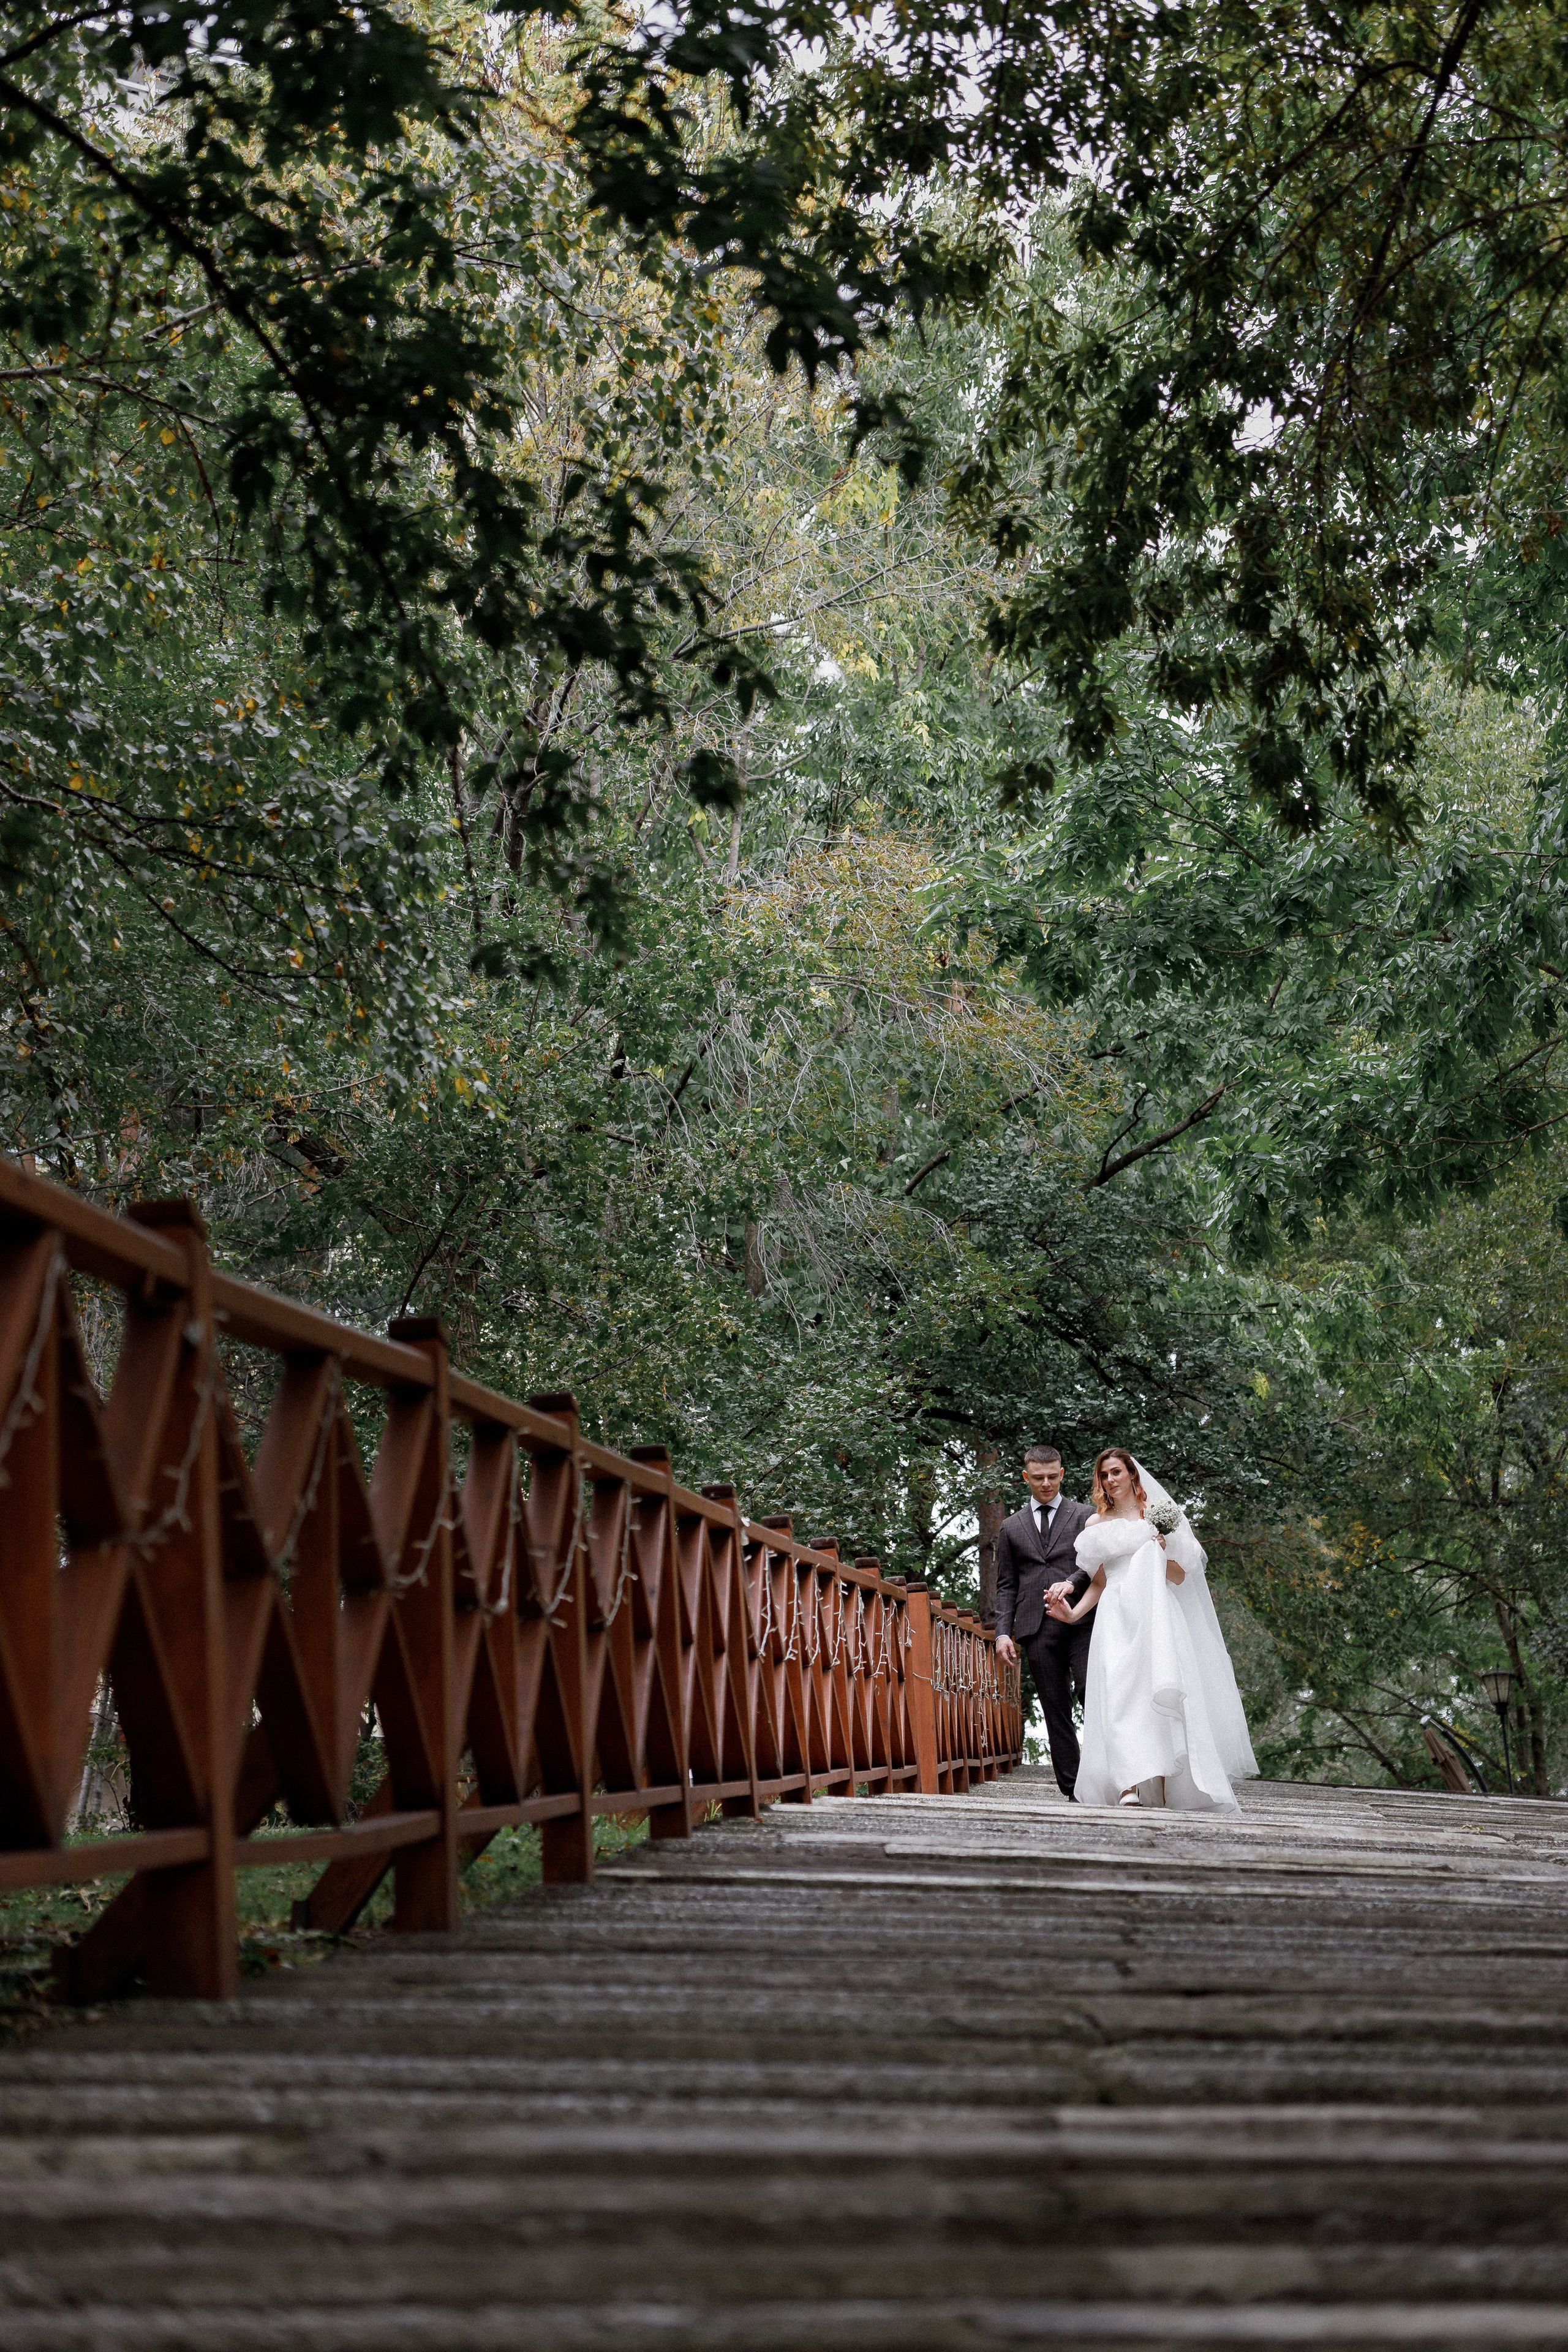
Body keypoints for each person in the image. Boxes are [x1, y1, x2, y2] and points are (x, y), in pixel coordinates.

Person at [1053, 1447, 1257, 1811]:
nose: (1110, 1480)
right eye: (1104, 1475)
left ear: (1133, 1474)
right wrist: (1072, 1615)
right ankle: (1126, 1786)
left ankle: (1163, 1788)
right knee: (1117, 1695)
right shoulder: (1095, 1526)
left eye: (1116, 1472)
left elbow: (1179, 1576)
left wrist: (1160, 1552)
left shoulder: (1161, 1517)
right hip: (1115, 1615)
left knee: (1156, 1696)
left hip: (1157, 1615)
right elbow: (1098, 1584)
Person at [993, 1446, 1095, 1800]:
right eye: (1039, 1478)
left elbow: (1095, 1565)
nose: (1047, 1483)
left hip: (1083, 1620)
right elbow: (1006, 1584)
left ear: (1062, 1474)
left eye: (1053, 1476)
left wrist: (1072, 1582)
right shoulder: (1010, 1527)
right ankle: (1074, 1790)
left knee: (1091, 1693)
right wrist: (1003, 1632)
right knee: (1055, 1709)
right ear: (1026, 1478)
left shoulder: (1086, 1515)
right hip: (1036, 1627)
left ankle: (1106, 1776)